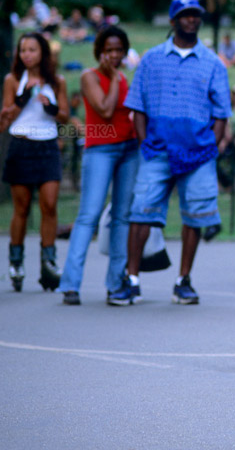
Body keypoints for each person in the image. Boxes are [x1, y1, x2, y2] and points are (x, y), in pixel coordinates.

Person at [107, 0, 231, 305]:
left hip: (198, 153)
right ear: (173, 21)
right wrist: (144, 143)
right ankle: (131, 279)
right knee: (142, 212)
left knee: (195, 215)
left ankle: (183, 280)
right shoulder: (151, 59)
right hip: (157, 150)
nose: (191, 20)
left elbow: (221, 113)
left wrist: (211, 147)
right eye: (185, 16)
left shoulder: (212, 62)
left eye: (196, 16)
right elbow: (137, 106)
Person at [58, 26, 139, 305]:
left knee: (122, 216)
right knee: (88, 216)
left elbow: (127, 114)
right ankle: (70, 284)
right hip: (100, 150)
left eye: (119, 50)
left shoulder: (124, 78)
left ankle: (116, 283)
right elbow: (104, 109)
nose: (115, 55)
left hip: (129, 150)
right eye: (109, 50)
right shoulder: (88, 77)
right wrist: (116, 78)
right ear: (100, 52)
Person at [1, 32, 69, 292]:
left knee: (49, 205)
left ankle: (48, 262)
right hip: (21, 144)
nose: (26, 54)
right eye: (23, 50)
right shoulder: (13, 80)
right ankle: (16, 262)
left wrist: (50, 105)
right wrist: (23, 98)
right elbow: (7, 117)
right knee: (22, 208)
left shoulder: (57, 81)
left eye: (32, 49)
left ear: (42, 52)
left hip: (47, 145)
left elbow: (63, 116)